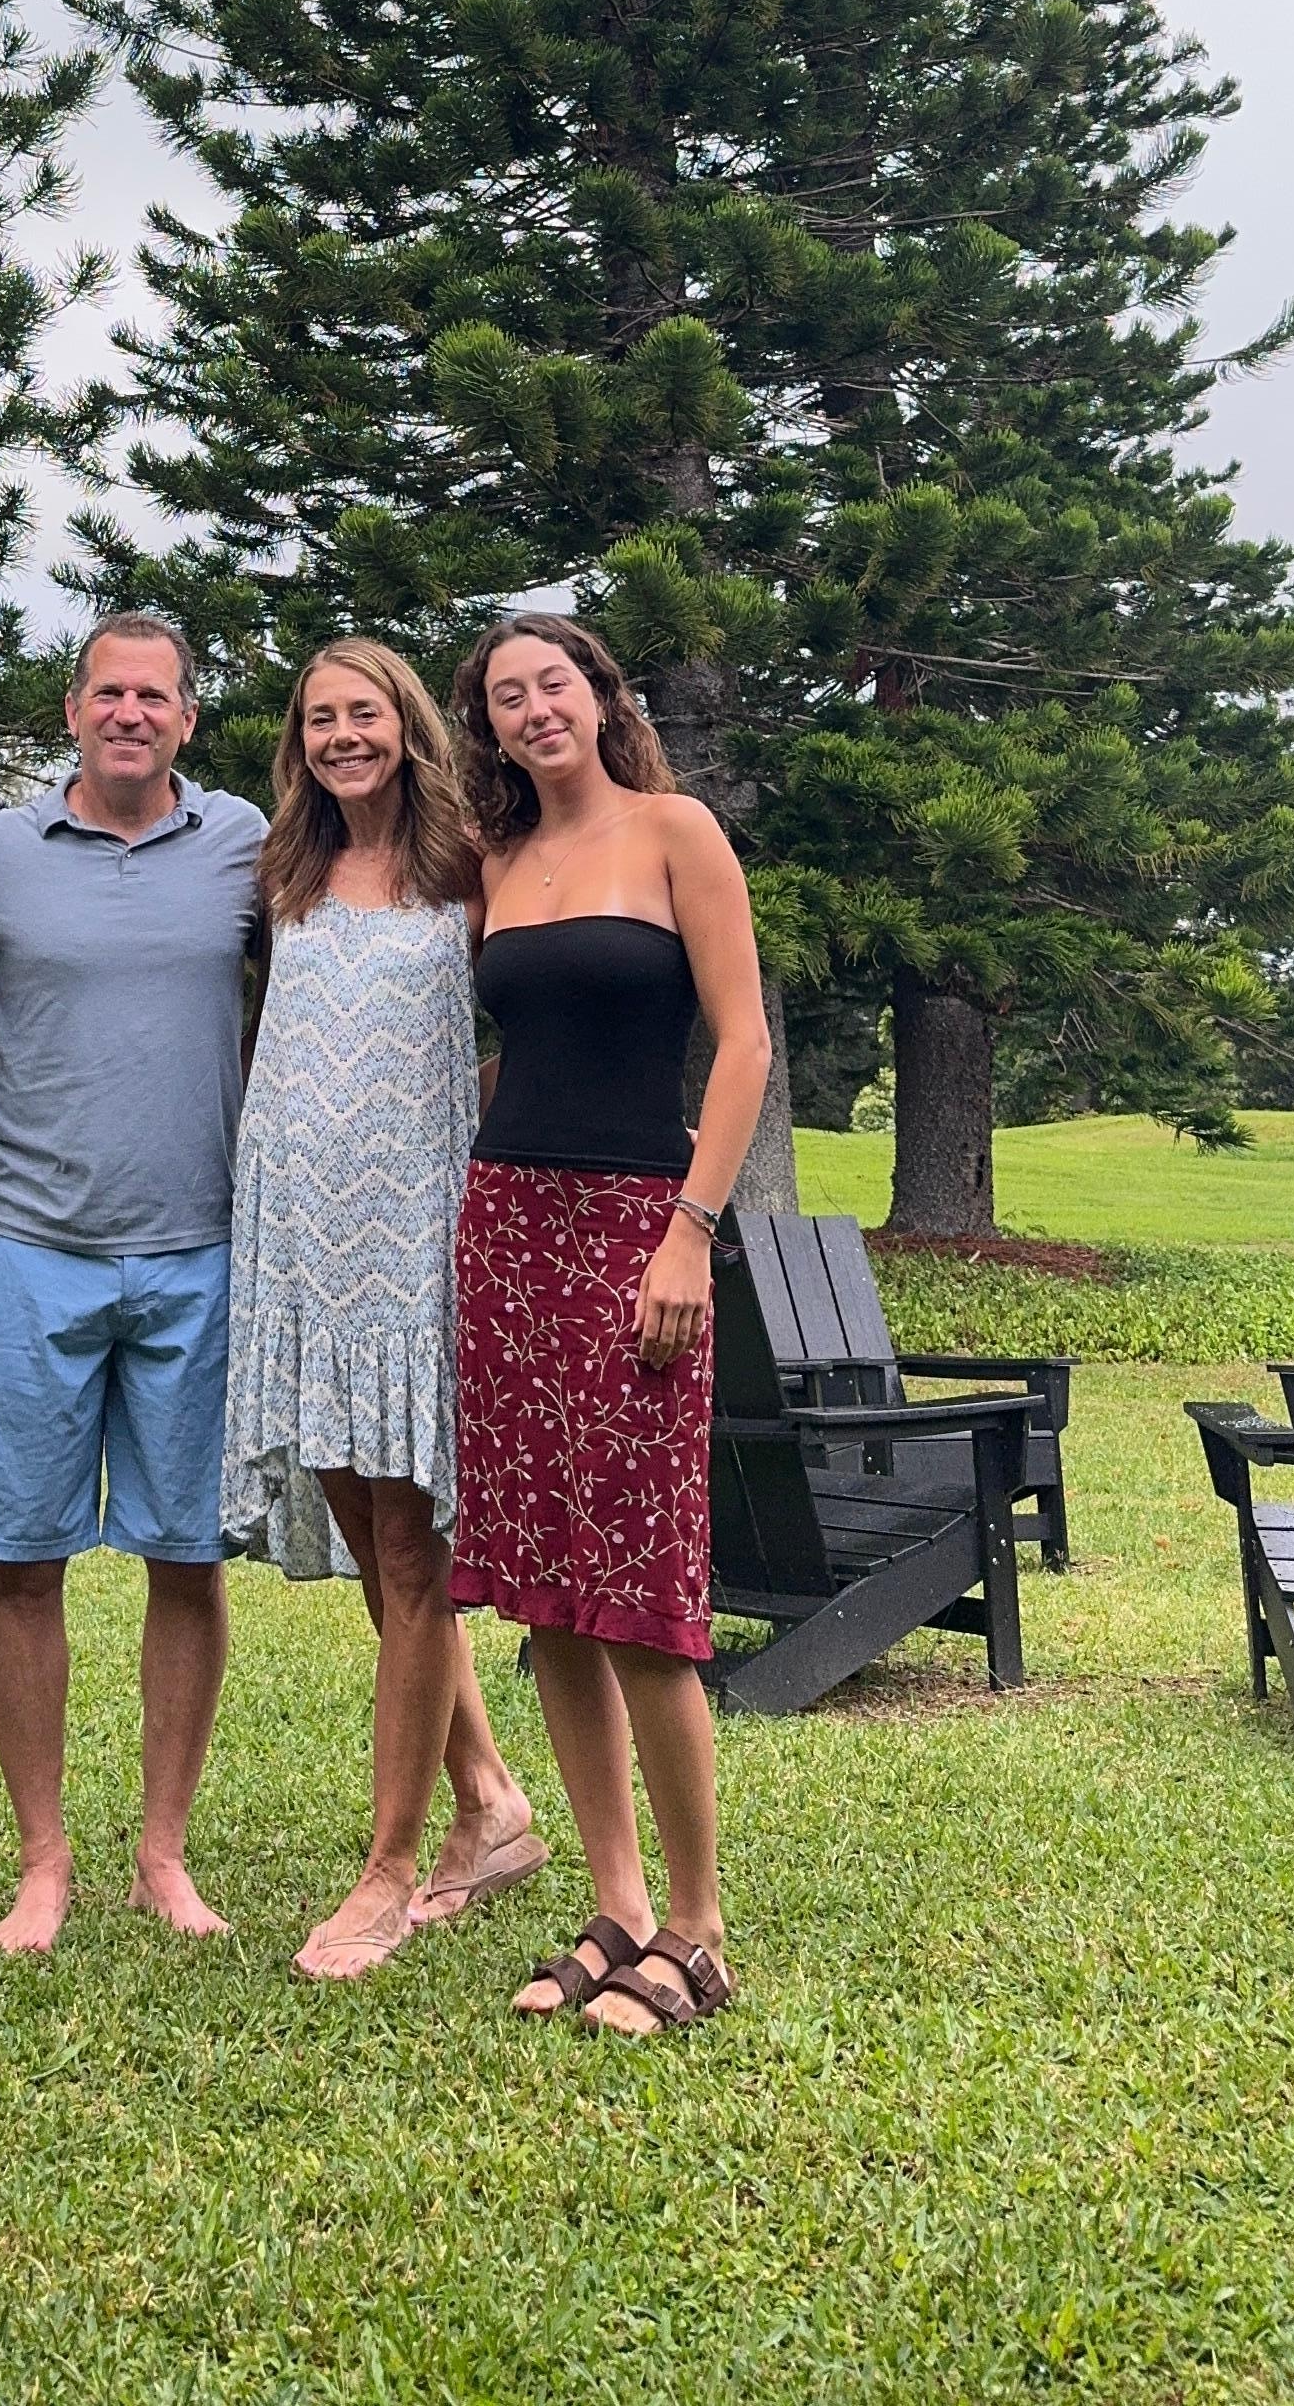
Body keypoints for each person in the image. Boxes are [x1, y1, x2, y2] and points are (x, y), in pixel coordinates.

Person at [445, 613, 771, 2040]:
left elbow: (745, 1041)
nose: (533, 710)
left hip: (640, 1228)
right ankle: (618, 1904)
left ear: (600, 696)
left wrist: (690, 1229)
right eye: (507, 697)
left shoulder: (675, 830)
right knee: (551, 1598)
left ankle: (698, 1933)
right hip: (505, 1229)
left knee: (641, 1593)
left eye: (552, 684)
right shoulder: (492, 866)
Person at [0, 613, 268, 1952]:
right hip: (32, 1246)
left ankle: (164, 1855)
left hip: (201, 1250)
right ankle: (44, 1861)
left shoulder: (246, 844)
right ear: (71, 712)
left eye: (157, 696)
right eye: (108, 693)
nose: (131, 712)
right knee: (22, 1561)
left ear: (188, 719)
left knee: (187, 1560)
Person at [222, 637, 545, 1980]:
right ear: (299, 744)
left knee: (411, 1554)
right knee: (369, 1538)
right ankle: (496, 1804)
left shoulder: (470, 862)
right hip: (296, 1239)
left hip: (412, 1241)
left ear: (407, 726)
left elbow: (537, 1012)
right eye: (320, 721)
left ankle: (389, 1866)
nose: (344, 737)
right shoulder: (288, 871)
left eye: (365, 715)